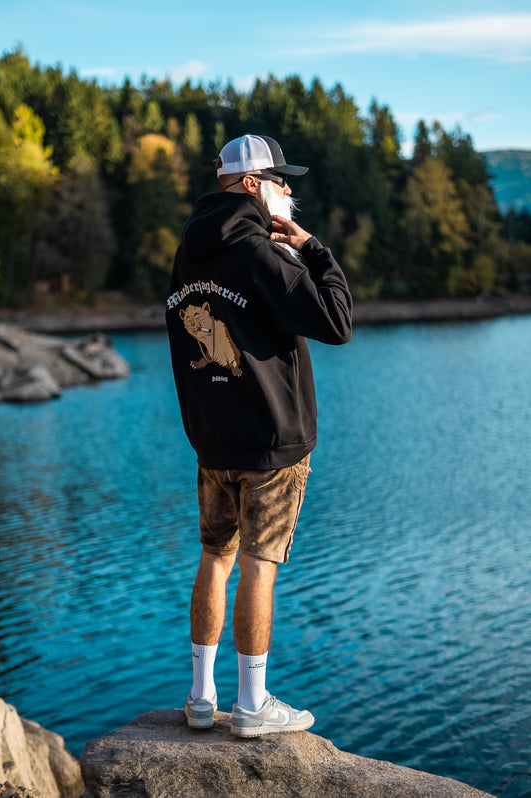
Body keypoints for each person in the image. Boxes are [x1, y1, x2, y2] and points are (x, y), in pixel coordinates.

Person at [165, 134, 353, 738]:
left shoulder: (187, 252)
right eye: (280, 179)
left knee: (215, 557)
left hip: (212, 440)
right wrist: (314, 250)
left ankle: (200, 698)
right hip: (271, 443)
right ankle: (251, 705)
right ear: (252, 184)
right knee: (258, 566)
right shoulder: (261, 252)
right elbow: (337, 322)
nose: (287, 189)